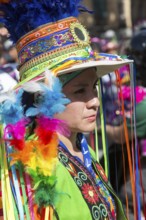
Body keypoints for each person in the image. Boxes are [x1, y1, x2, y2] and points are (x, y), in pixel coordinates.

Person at [0, 1, 132, 219]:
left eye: (94, 87)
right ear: (43, 96)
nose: (95, 102)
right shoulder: (36, 171)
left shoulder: (81, 151)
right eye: (80, 91)